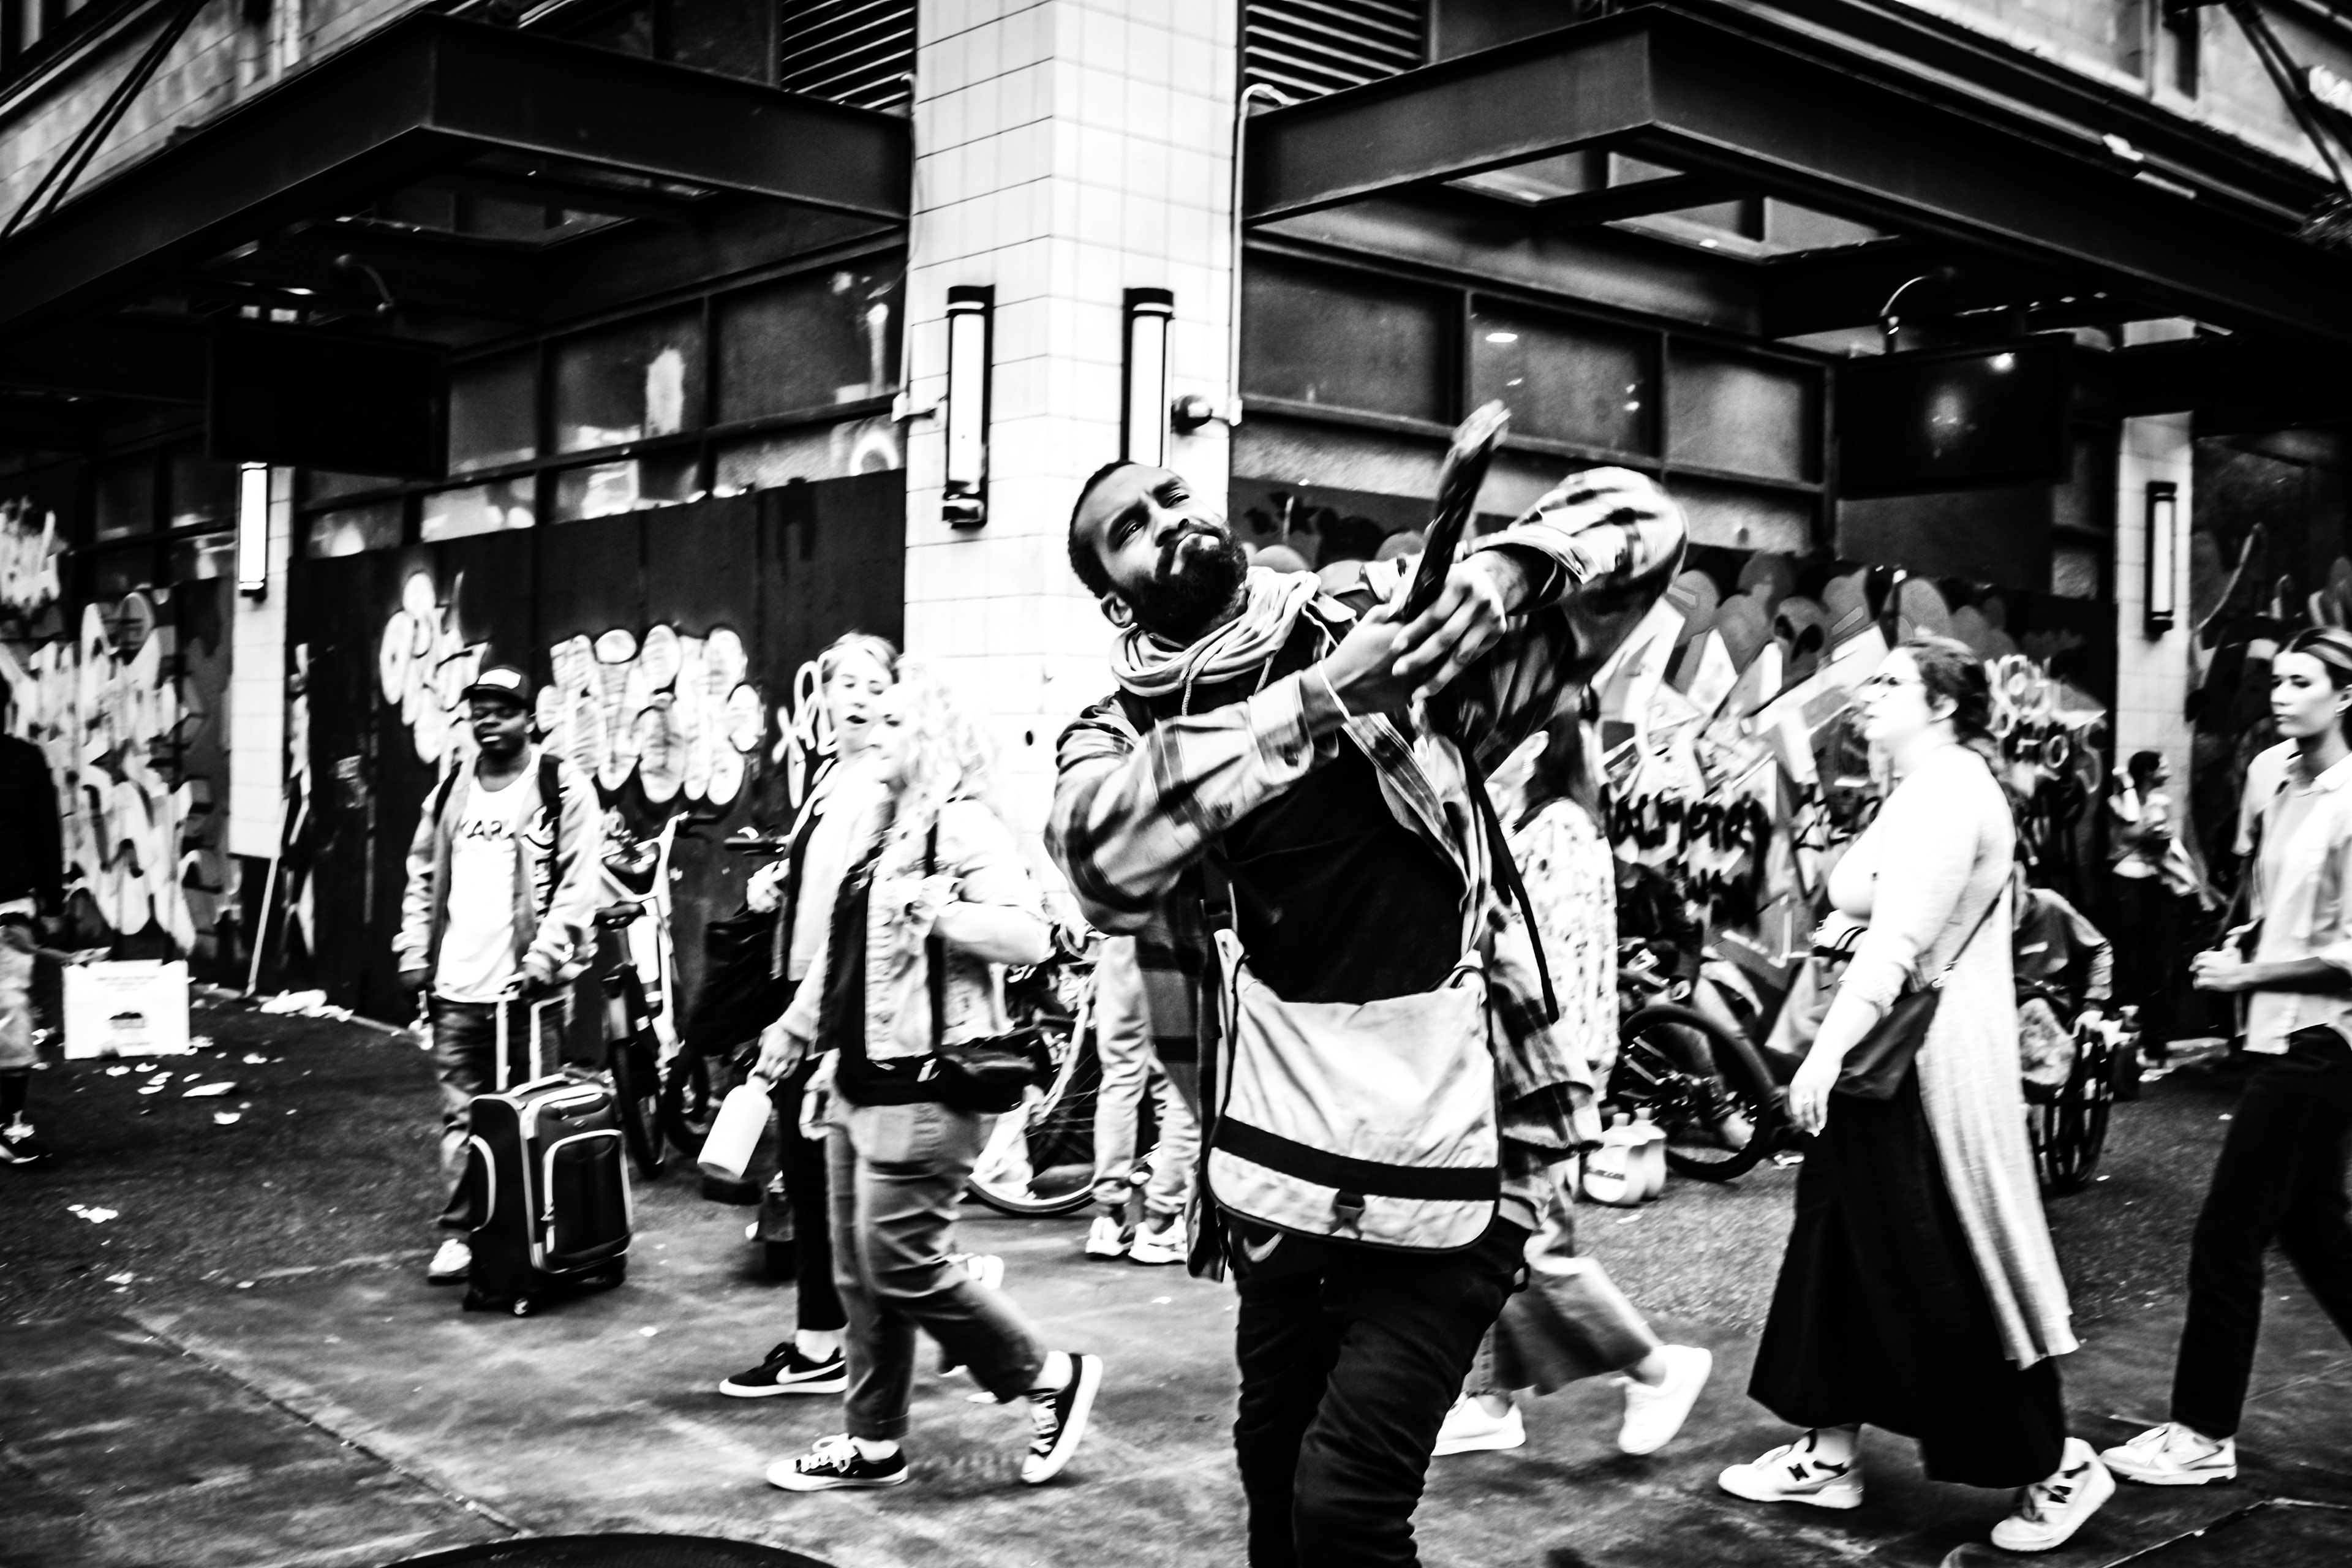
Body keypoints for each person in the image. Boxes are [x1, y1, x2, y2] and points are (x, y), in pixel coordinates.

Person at [1052, 457, 1686, 1567]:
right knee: (1271, 1470)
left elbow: (1647, 526)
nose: (1169, 519)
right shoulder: (1114, 729)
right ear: (1115, 599)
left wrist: (1510, 571)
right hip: (1281, 1168)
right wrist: (1317, 699)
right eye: (1132, 529)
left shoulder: (1374, 624)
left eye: (1173, 496)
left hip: (1463, 1148)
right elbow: (1101, 864)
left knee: (1345, 1508)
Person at [1721, 638, 2113, 1555]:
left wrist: (1822, 1055)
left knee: (1934, 1268)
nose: (1868, 693)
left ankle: (2056, 1465)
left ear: (1942, 705)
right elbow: (1856, 910)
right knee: (1836, 1249)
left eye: (1892, 682)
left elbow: (1896, 947)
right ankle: (1828, 1453)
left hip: (1915, 1075)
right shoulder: (1918, 788)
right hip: (1887, 1066)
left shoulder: (1949, 793)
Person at [759, 663, 1102, 1493]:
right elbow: (842, 959)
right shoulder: (880, 826)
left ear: (932, 737)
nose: (872, 731)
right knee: (858, 1274)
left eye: (893, 721)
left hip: (928, 1084)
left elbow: (1028, 935)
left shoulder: (962, 825)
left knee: (900, 1264)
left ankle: (1048, 1376)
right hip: (859, 1081)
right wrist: (805, 1042)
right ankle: (872, 1442)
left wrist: (939, 913)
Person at [2100, 626, 2352, 1486]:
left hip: (2324, 1041)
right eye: (2277, 680)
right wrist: (2248, 935)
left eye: (2303, 681)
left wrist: (2248, 975)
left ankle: (2203, 1436)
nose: (2281, 695)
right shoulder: (2278, 780)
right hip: (2280, 1031)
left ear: (2346, 695)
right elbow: (2282, 901)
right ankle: (2202, 1432)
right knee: (2314, 1230)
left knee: (2227, 1236)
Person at [1433, 717, 1712, 1459]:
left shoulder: (1553, 827)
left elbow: (1547, 956)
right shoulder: (1551, 821)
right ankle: (1490, 1399)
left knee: (1527, 1239)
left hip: (1532, 1059)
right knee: (1505, 1230)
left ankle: (1654, 1368)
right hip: (1537, 1055)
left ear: (1533, 747)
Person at [707, 633, 898, 1399]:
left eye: (873, 685)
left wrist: (805, 1024)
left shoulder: (880, 783)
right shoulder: (832, 774)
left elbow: (858, 911)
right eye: (845, 683)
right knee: (820, 1179)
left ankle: (836, 1342)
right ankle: (833, 1336)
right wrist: (776, 882)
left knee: (829, 1182)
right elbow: (818, 876)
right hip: (801, 992)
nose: (857, 698)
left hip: (835, 1008)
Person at [396, 664, 601, 1285]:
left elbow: (578, 884)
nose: (489, 721)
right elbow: (422, 876)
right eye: (479, 711)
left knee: (532, 1116)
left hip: (530, 995)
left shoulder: (561, 786)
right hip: (456, 988)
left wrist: (545, 956)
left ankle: (535, 1235)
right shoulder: (450, 792)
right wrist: (413, 952)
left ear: (528, 719)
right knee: (462, 1118)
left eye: (503, 710)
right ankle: (461, 1235)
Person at [1083, 932, 1199, 1265]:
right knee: (1185, 1081)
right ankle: (1161, 1223)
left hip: (1119, 942)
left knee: (1119, 1076)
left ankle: (1109, 1219)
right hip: (1177, 942)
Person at [0, 718, 62, 1166]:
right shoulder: (21, 760)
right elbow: (45, 831)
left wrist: (53, 900)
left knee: (10, 1015)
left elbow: (44, 831)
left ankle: (8, 1126)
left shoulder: (23, 759)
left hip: (7, 907)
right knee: (9, 1015)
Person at [2106, 751, 2184, 1055]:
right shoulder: (2116, 802)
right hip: (2126, 886)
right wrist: (2127, 785)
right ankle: (2122, 1041)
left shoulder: (2160, 802)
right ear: (2148, 772)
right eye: (2163, 767)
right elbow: (2132, 822)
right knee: (2128, 961)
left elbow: (2160, 839)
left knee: (2156, 962)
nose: (2169, 771)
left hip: (2153, 884)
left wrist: (2161, 836)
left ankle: (2155, 1038)